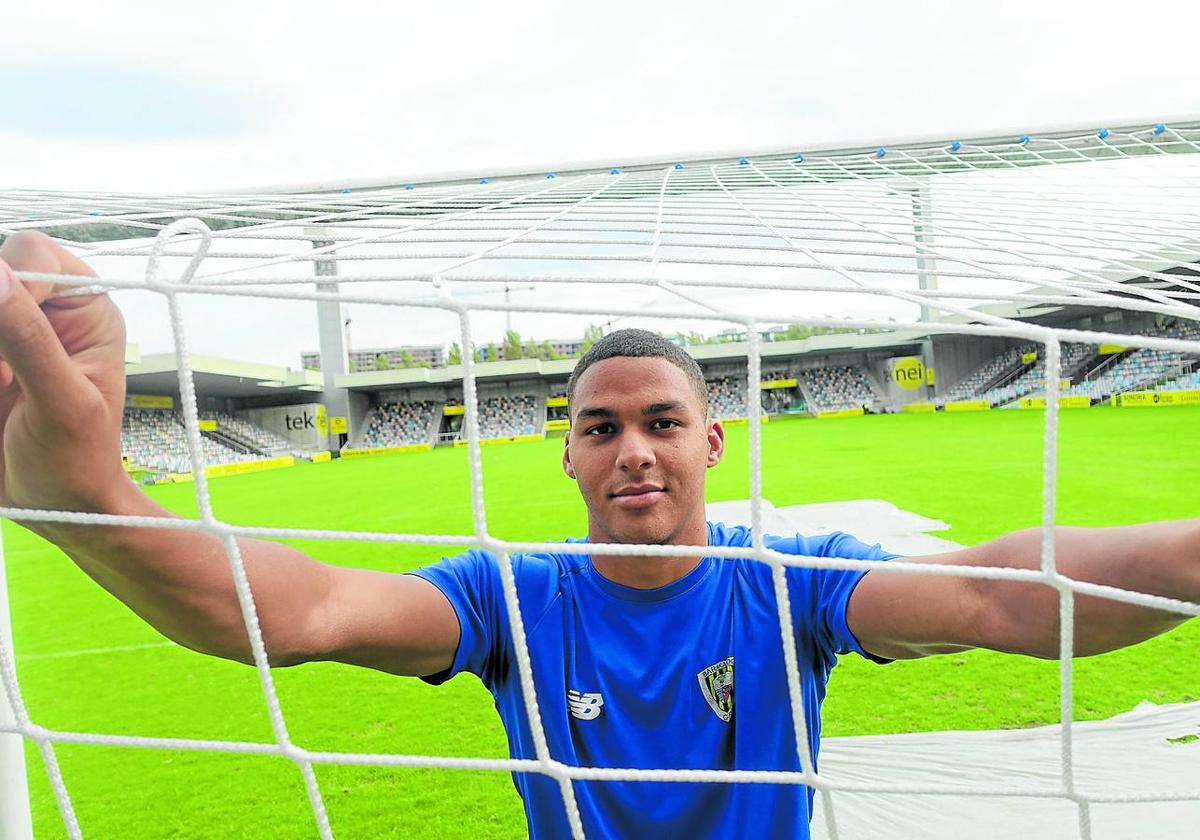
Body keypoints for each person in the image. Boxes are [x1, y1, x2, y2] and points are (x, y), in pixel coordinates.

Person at [0, 230, 1195, 839]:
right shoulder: (509, 600)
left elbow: (1004, 593)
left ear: (712, 445)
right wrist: (94, 500)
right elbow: (304, 614)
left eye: (664, 422)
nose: (635, 448)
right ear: (565, 451)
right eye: (602, 425)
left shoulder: (790, 585)